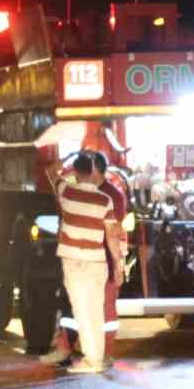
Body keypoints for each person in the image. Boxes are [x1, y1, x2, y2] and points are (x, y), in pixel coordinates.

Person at [45, 153, 117, 374]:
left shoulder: (67, 191)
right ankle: (96, 357)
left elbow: (50, 172)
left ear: (76, 171)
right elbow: (112, 236)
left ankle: (91, 360)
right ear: (93, 171)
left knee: (81, 310)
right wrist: (119, 264)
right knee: (95, 309)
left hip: (75, 261)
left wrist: (67, 159)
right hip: (97, 261)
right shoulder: (105, 200)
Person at [90, 151, 129, 347]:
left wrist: (119, 263)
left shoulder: (113, 194)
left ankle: (104, 347)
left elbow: (118, 230)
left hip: (106, 258)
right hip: (87, 259)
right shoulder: (83, 191)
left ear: (95, 169)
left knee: (107, 307)